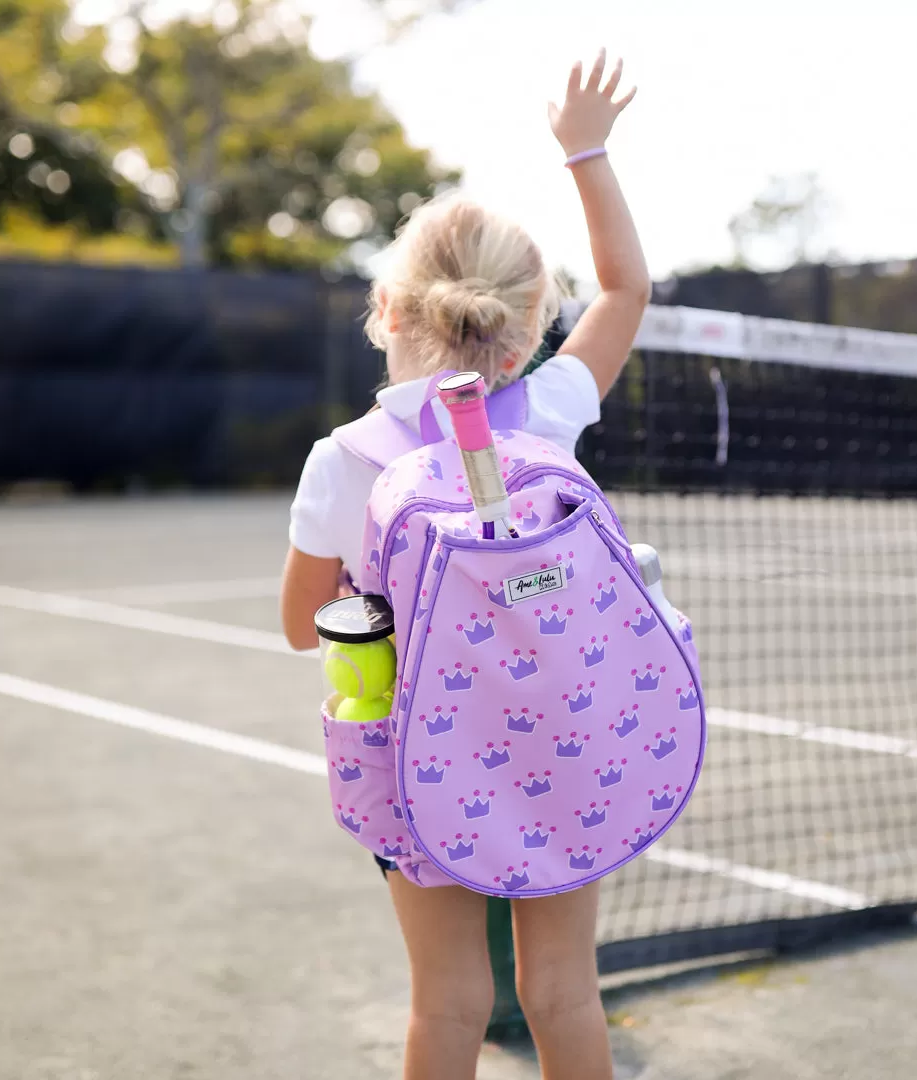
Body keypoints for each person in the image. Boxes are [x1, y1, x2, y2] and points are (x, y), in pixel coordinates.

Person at [281, 49, 648, 1080]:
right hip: (571, 743)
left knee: (447, 1006)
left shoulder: (344, 459)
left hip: (416, 761)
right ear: (532, 327)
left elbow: (302, 624)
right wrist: (585, 150)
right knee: (565, 993)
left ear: (388, 313)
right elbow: (628, 287)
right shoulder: (557, 410)